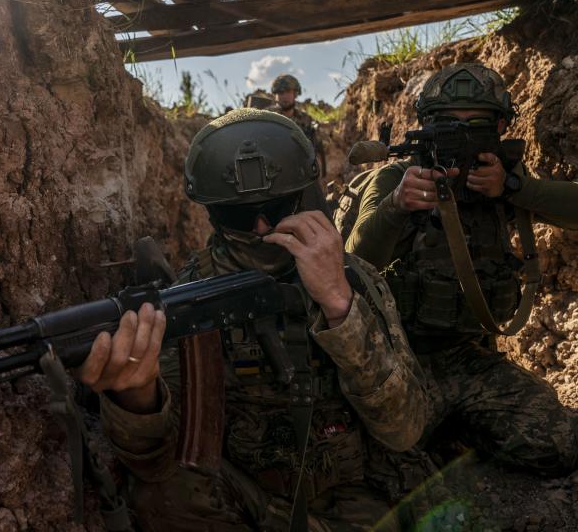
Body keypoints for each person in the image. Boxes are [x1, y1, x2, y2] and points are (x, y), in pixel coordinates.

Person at [77, 109, 430, 531]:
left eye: (277, 207)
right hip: (247, 498)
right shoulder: (191, 298)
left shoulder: (354, 277)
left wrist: (339, 305)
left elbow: (404, 430)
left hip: (353, 497)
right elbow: (157, 462)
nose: (262, 228)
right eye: (239, 215)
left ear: (302, 195)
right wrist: (138, 400)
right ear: (211, 212)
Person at [344, 63, 578, 476]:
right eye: (448, 125)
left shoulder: (500, 178)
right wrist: (397, 206)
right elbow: (354, 265)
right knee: (385, 469)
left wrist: (517, 188)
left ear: (501, 125)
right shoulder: (397, 178)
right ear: (426, 126)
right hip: (396, 362)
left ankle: (460, 430)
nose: (462, 136)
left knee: (558, 444)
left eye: (477, 124)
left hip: (466, 358)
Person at [270, 74, 328, 176]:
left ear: (295, 94)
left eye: (288, 91)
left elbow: (317, 149)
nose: (284, 96)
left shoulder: (306, 119)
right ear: (275, 95)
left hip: (301, 172)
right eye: (280, 93)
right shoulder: (268, 117)